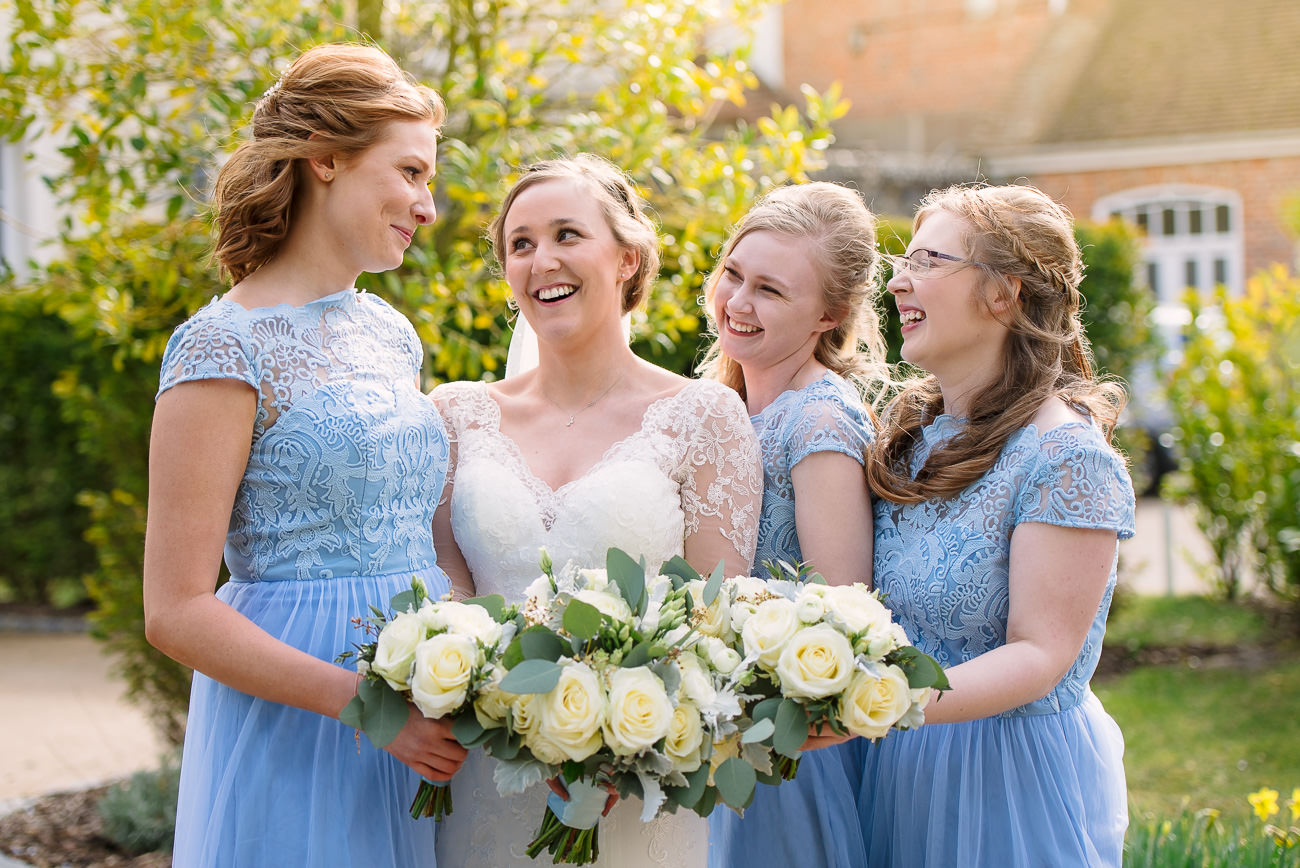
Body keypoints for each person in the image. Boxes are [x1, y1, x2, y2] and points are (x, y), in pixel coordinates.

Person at [143, 44, 467, 867]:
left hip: (425, 708)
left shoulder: (391, 333)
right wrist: (366, 707)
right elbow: (175, 610)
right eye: (410, 172)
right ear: (327, 158)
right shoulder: (221, 347)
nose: (427, 205)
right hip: (305, 718)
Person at [430, 153, 762, 868]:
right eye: (520, 244)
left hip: (636, 789)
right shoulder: (456, 415)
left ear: (627, 257)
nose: (541, 259)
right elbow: (445, 599)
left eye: (566, 235)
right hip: (479, 776)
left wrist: (621, 740)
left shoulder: (703, 417)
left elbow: (716, 619)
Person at [858, 184, 1135, 867]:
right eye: (902, 262)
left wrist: (879, 697)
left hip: (1005, 783)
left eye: (927, 260)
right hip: (898, 765)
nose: (897, 281)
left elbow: (1041, 654)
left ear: (1003, 293)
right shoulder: (915, 438)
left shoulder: (1066, 457)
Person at [699, 182, 884, 868]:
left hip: (780, 747)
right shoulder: (724, 402)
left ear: (827, 316)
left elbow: (843, 606)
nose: (738, 303)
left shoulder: (819, 420)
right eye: (733, 275)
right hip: (712, 728)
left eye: (770, 290)